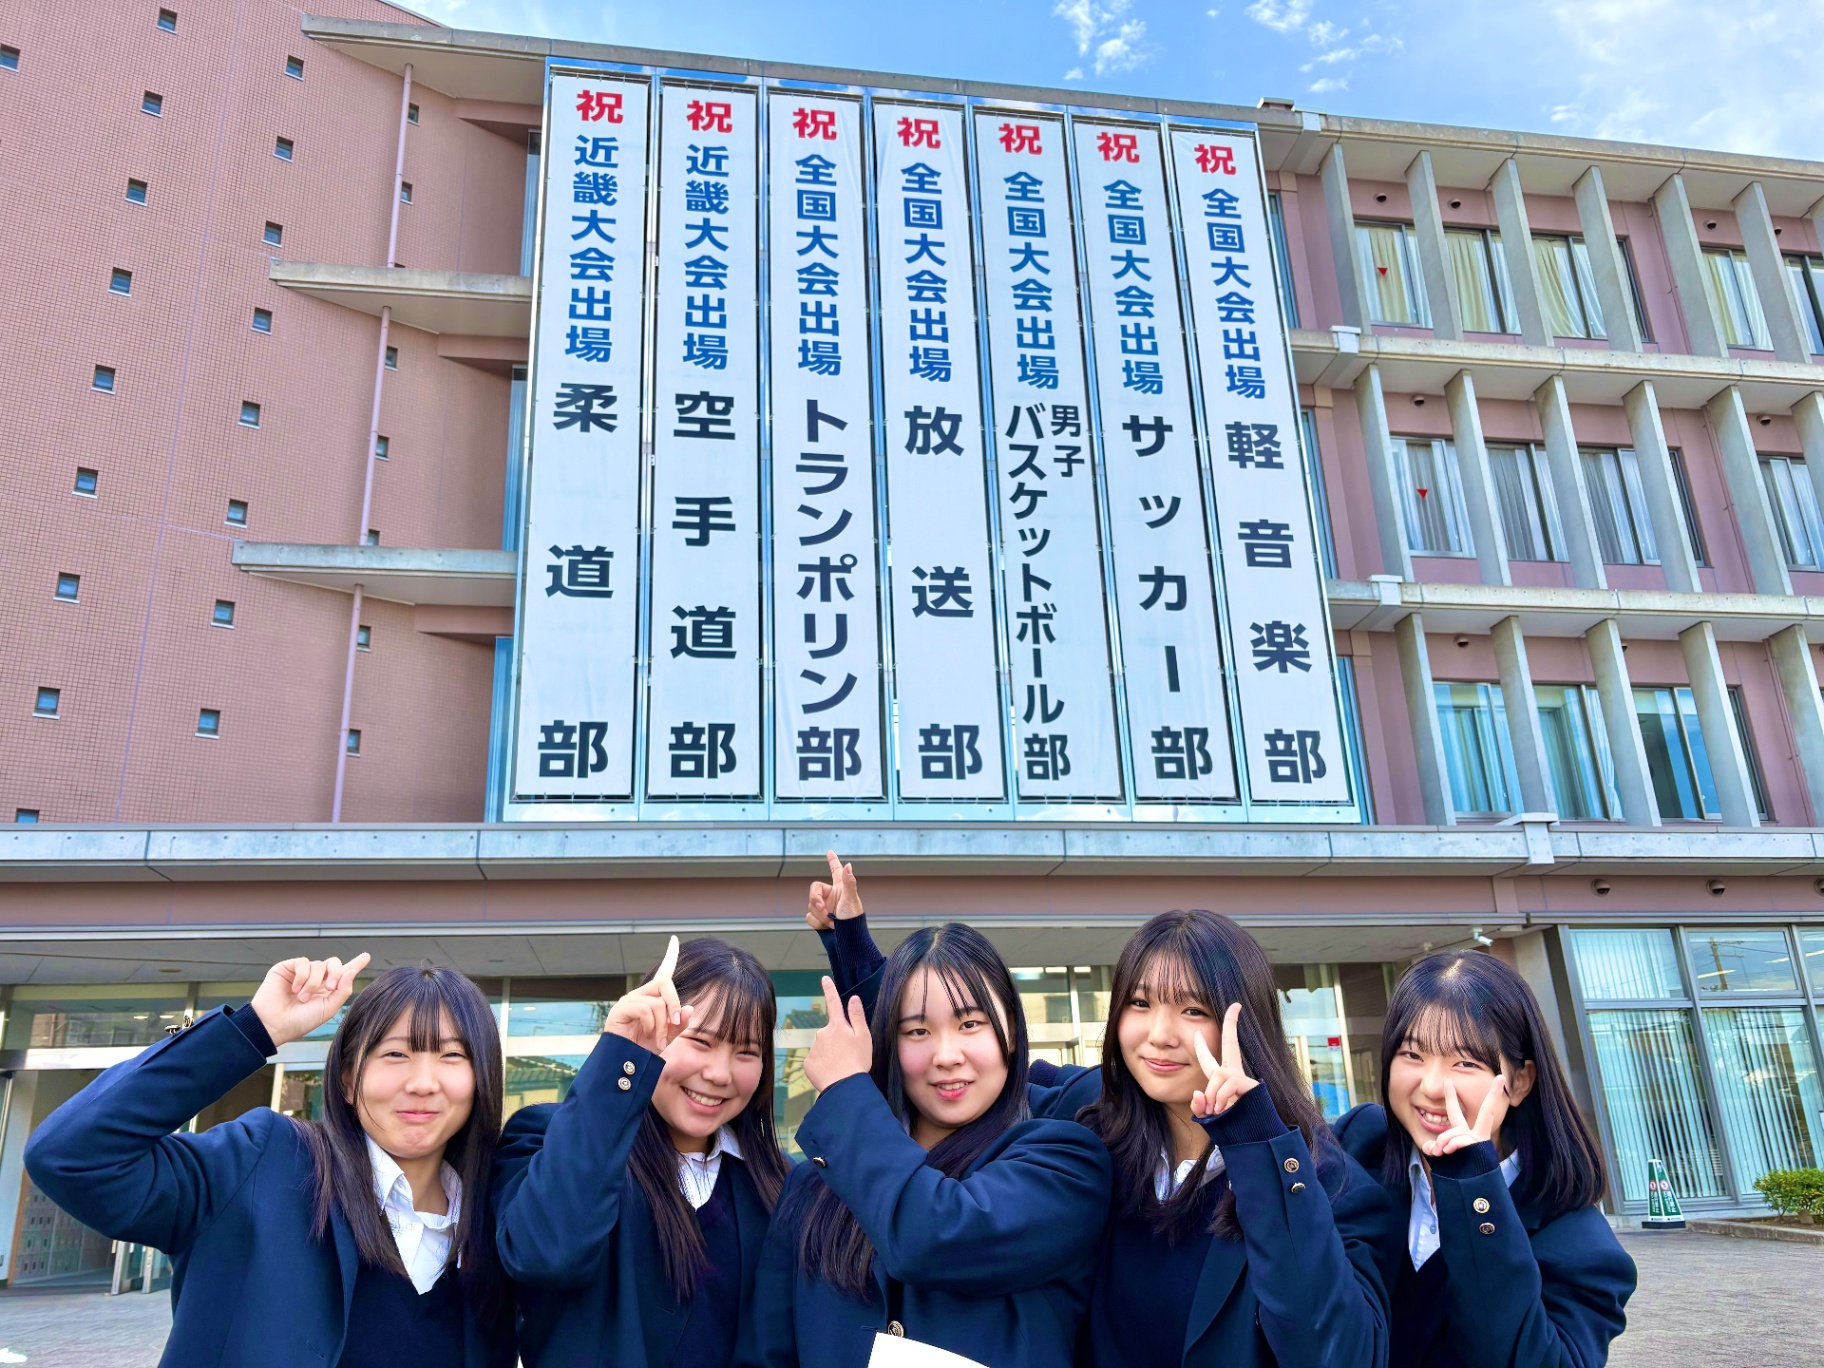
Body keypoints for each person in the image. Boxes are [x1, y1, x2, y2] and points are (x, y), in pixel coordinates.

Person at [805, 855, 1399, 1368]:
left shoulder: (1325, 1181)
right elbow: (966, 1062)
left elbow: (1336, 1351)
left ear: (1248, 1022)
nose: (1158, 1034)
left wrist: (1254, 1140)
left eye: (1193, 1010)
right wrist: (859, 957)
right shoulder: (1100, 1122)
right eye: (1140, 1003)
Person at [24, 954, 514, 1368]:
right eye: (395, 1055)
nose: (423, 1082)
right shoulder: (263, 1165)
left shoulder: (501, 1214)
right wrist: (255, 1029)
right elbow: (71, 1154)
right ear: (348, 1081)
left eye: (452, 1056)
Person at [740, 921, 1113, 1368]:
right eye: (917, 1031)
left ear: (1011, 1032)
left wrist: (845, 1090)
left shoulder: (1066, 1161)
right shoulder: (812, 1185)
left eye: (970, 1024)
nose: (947, 1055)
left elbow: (934, 1234)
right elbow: (766, 1354)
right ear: (889, 1044)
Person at [494, 935, 791, 1367]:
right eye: (701, 1041)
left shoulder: (777, 1185)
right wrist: (621, 1058)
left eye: (746, 1052)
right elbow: (547, 1256)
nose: (719, 1073)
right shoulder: (549, 1139)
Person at [1331, 951, 1636, 1368]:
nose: (1432, 1086)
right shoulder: (1360, 1145)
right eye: (1413, 1055)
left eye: (1465, 1062)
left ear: (1520, 1082)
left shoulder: (1581, 1246)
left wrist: (1473, 1187)